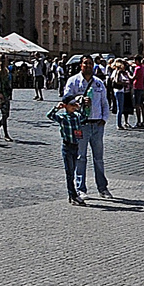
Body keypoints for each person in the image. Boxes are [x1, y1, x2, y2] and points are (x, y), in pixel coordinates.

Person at [61, 55, 111, 200]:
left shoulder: (99, 83)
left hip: (97, 123)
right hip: (81, 124)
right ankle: (80, 188)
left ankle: (102, 188)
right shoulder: (73, 81)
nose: (88, 66)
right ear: (80, 65)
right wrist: (79, 99)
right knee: (80, 157)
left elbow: (105, 102)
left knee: (98, 158)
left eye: (90, 63)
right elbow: (66, 99)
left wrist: (104, 119)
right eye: (85, 63)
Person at [48, 84, 88, 205]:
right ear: (65, 106)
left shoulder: (77, 116)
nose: (73, 107)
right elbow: (50, 116)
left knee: (73, 170)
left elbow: (84, 117)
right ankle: (73, 195)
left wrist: (81, 107)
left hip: (75, 146)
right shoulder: (63, 117)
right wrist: (57, 108)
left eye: (74, 105)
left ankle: (72, 196)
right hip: (67, 146)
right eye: (71, 105)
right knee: (69, 172)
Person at [0, 54, 14, 140]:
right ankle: (6, 135)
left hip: (6, 93)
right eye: (3, 60)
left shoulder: (6, 70)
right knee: (4, 114)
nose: (4, 61)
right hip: (0, 94)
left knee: (6, 114)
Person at [132, 56, 144, 128]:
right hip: (142, 87)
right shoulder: (142, 67)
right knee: (142, 105)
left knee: (137, 105)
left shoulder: (137, 68)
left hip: (137, 87)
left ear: (137, 61)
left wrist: (127, 74)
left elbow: (133, 77)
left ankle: (138, 122)